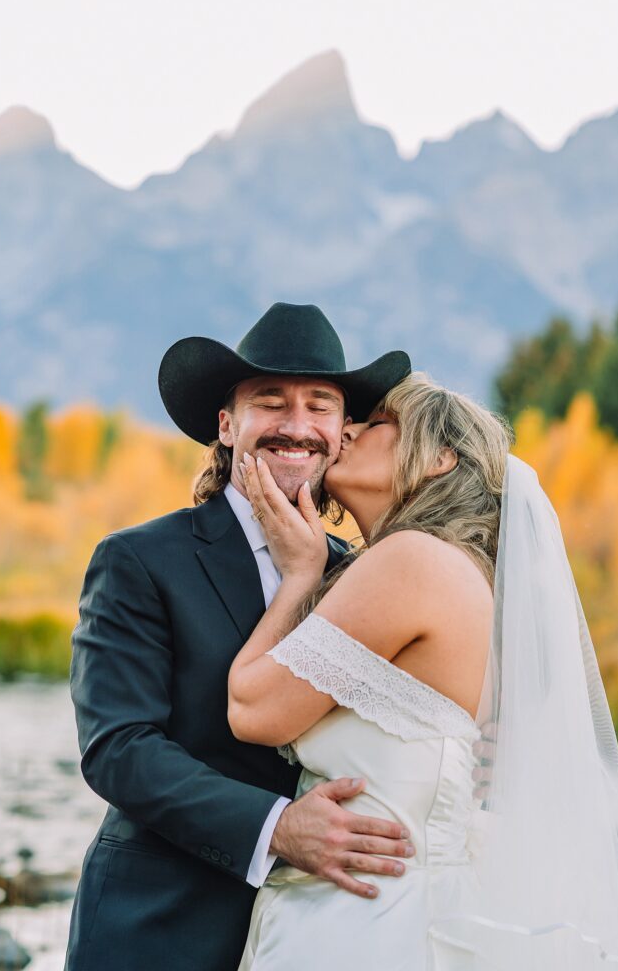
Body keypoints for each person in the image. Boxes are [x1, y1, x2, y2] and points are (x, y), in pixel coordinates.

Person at [228, 373, 618, 970]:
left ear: (437, 457)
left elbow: (252, 710)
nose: (345, 429)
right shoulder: (467, 573)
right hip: (411, 905)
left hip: (372, 924)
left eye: (376, 424)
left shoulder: (411, 560)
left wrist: (299, 574)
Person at [64, 302, 413, 971]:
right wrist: (275, 826)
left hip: (326, 930)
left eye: (319, 405)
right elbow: (118, 748)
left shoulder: (367, 575)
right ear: (227, 426)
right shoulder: (139, 560)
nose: (296, 425)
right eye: (269, 402)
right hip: (158, 928)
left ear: (343, 433)